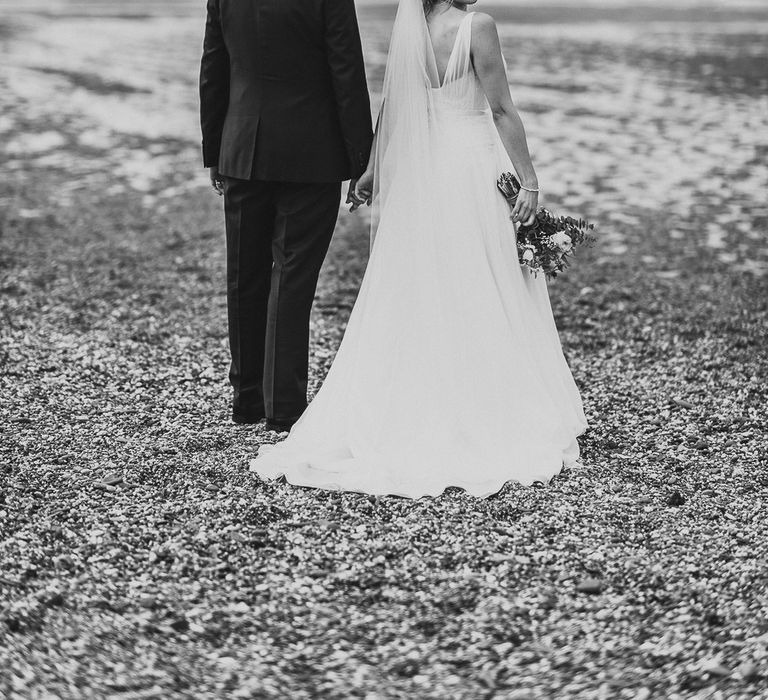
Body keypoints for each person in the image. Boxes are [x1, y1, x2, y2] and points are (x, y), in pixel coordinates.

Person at [250, 0, 588, 498]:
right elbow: (499, 108)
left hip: (421, 176)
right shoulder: (478, 26)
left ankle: (414, 399)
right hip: (471, 170)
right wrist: (530, 182)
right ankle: (486, 406)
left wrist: (372, 170)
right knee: (483, 280)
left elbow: (394, 106)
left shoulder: (414, 29)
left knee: (418, 283)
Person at [199, 0, 373, 431]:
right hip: (311, 154)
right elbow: (346, 71)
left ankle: (247, 401)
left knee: (244, 274)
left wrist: (215, 152)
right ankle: (284, 408)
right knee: (293, 276)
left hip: (242, 147)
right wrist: (361, 161)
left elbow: (213, 67)